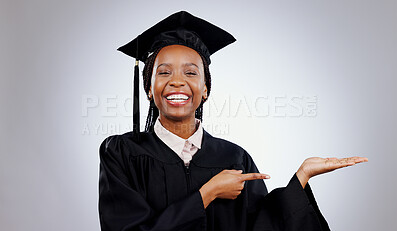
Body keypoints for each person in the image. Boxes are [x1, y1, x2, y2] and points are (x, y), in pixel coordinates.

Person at [98, 11, 368, 231]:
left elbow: (264, 226)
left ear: (205, 89)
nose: (177, 81)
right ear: (149, 87)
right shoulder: (122, 153)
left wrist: (301, 178)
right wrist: (207, 193)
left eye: (191, 72)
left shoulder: (233, 157)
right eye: (164, 71)